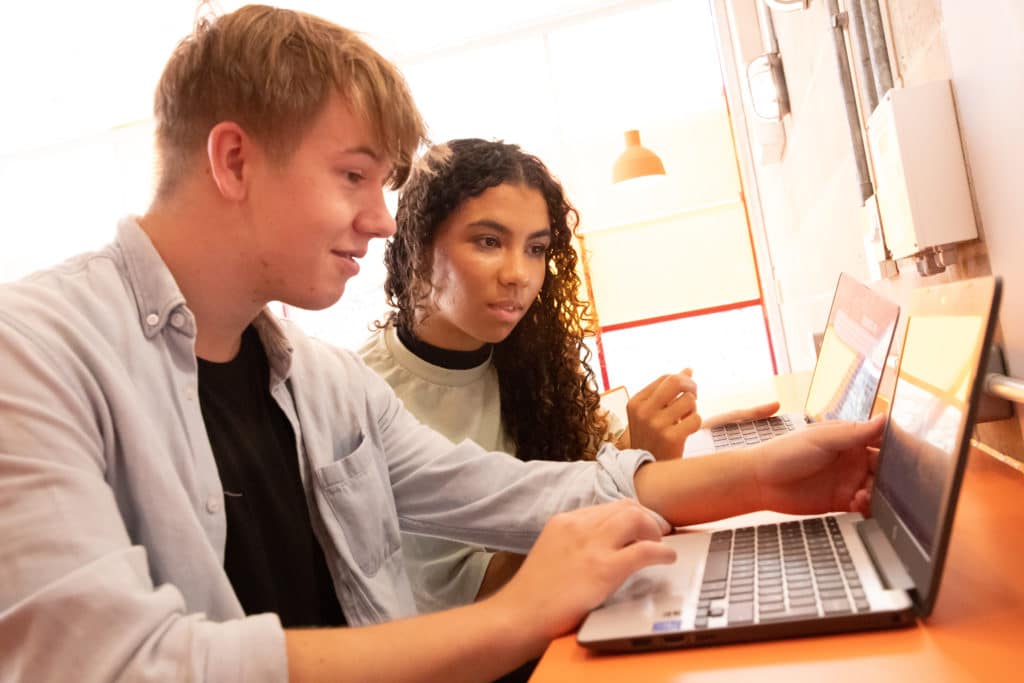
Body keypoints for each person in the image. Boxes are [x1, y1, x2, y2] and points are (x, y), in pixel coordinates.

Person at [0, 5, 884, 682]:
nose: (382, 220)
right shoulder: (33, 354)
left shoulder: (317, 379)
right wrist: (516, 615)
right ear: (233, 160)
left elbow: (521, 490)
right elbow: (121, 664)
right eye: (353, 175)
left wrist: (766, 476)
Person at [360, 138, 780, 612]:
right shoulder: (367, 398)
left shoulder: (522, 354)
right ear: (418, 242)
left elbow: (581, 457)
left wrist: (692, 431)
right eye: (489, 242)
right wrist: (637, 472)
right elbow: (471, 596)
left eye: (536, 248)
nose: (519, 274)